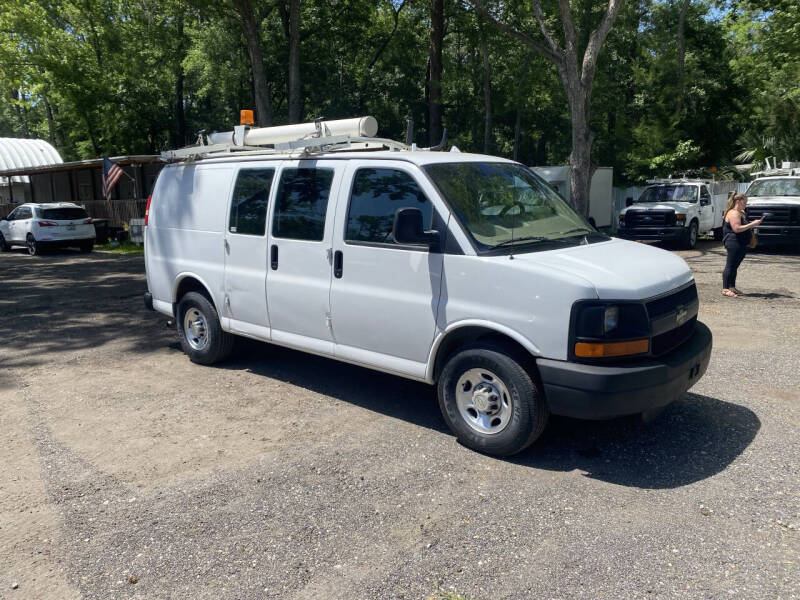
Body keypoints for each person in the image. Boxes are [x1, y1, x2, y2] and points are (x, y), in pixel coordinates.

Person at [721, 192, 763, 297]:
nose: (746, 204)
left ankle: (732, 286)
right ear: (739, 202)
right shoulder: (733, 213)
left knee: (735, 266)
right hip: (733, 242)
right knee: (730, 266)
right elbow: (737, 229)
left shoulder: (740, 213)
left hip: (741, 242)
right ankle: (725, 288)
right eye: (745, 202)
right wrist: (753, 224)